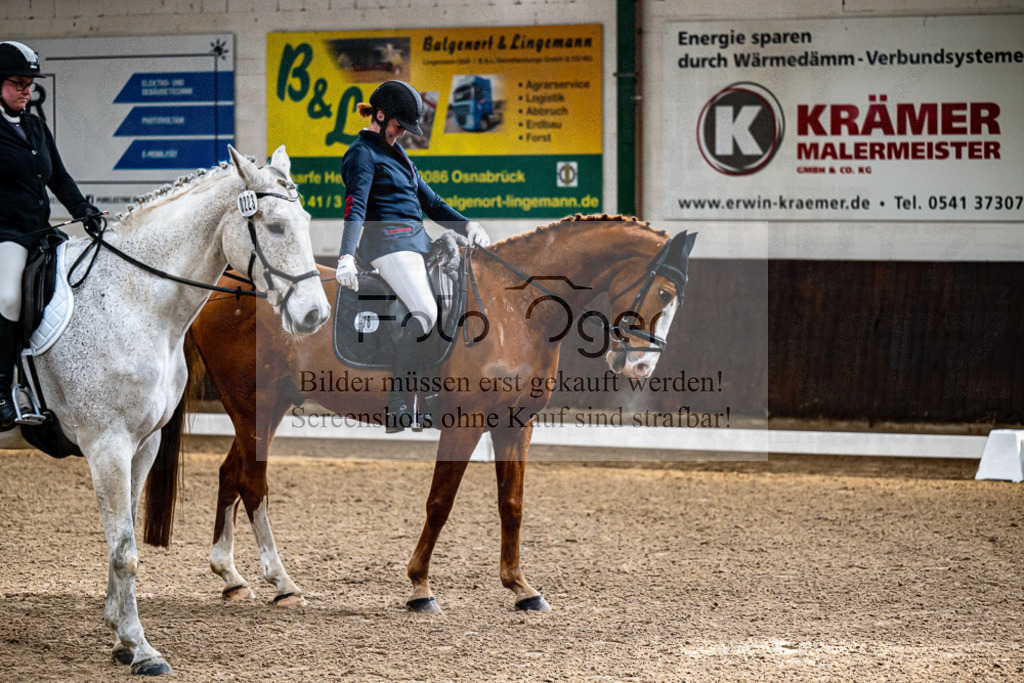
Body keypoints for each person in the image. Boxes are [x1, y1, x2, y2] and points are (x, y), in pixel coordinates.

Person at [335, 80, 490, 433]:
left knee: (457, 300)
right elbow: (356, 206)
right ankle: (399, 403)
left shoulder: (398, 154)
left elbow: (432, 204)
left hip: (418, 243)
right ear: (380, 115)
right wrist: (346, 255)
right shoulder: (362, 153)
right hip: (386, 245)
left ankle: (434, 394)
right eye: (398, 125)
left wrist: (468, 226)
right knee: (425, 311)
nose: (402, 133)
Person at [0, 41, 101, 430]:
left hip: (42, 232)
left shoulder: (35, 125)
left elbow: (57, 176)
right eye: (18, 83)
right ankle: (0, 392)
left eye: (30, 84)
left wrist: (83, 211)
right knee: (9, 298)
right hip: (7, 235)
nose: (27, 90)